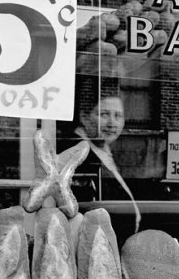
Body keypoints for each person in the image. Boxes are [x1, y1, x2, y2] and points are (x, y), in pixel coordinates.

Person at [59, 77, 141, 231]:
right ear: (84, 117)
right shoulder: (77, 155)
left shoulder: (106, 150)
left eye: (118, 116)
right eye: (104, 114)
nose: (112, 123)